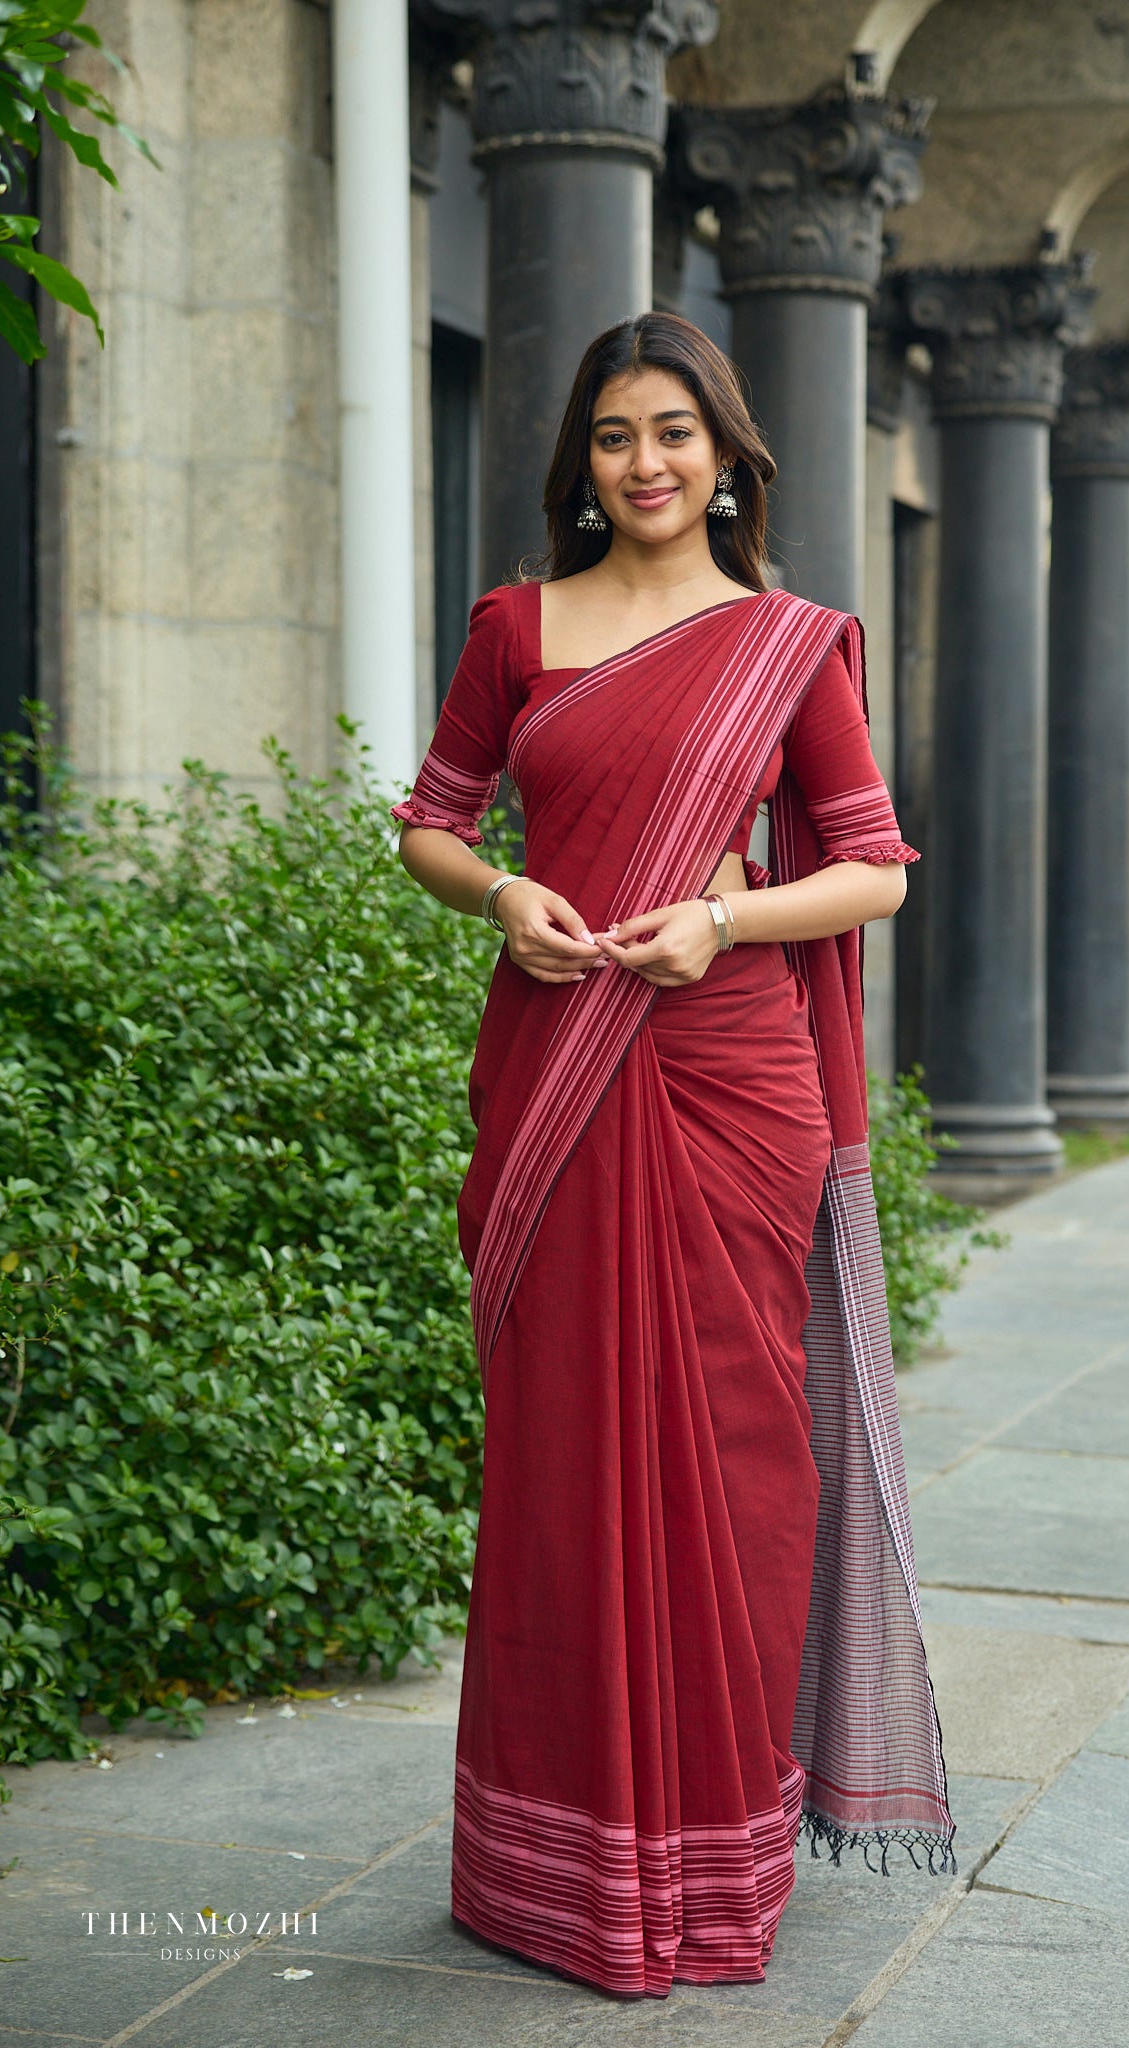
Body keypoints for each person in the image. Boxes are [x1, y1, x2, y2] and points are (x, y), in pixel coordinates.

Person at [393, 311, 954, 2000]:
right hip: (558, 1058)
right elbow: (430, 816)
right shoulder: (518, 625)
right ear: (581, 462)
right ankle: (550, 1860)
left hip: (725, 1074)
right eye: (616, 437)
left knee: (734, 1459)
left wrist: (719, 917)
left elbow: (874, 869)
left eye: (675, 434)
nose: (646, 464)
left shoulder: (789, 645)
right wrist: (502, 892)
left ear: (726, 458)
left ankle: (710, 1854)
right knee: (565, 1456)